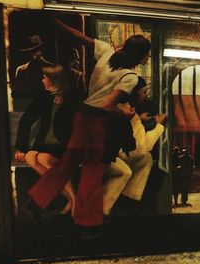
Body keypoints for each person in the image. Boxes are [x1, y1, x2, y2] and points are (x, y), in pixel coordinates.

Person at [23, 17, 151, 238]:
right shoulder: (130, 77)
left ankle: (35, 202)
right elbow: (108, 105)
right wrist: (126, 113)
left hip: (81, 117)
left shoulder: (106, 52)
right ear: (140, 55)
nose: (147, 57)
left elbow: (77, 36)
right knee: (92, 171)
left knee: (67, 165)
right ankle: (87, 225)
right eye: (147, 54)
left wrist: (57, 23)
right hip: (98, 123)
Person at [16, 64, 77, 218]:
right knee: (30, 156)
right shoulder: (44, 97)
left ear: (54, 80)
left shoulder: (72, 99)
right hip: (44, 144)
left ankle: (73, 200)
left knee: (41, 158)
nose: (42, 81)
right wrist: (21, 148)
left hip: (64, 146)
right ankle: (72, 197)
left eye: (44, 78)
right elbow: (26, 121)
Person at [103, 77, 166, 217]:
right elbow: (143, 147)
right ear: (133, 93)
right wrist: (158, 125)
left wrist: (140, 121)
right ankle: (126, 200)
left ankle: (128, 198)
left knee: (145, 159)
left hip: (115, 153)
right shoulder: (126, 112)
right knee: (146, 158)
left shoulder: (126, 109)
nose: (145, 95)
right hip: (110, 155)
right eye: (143, 92)